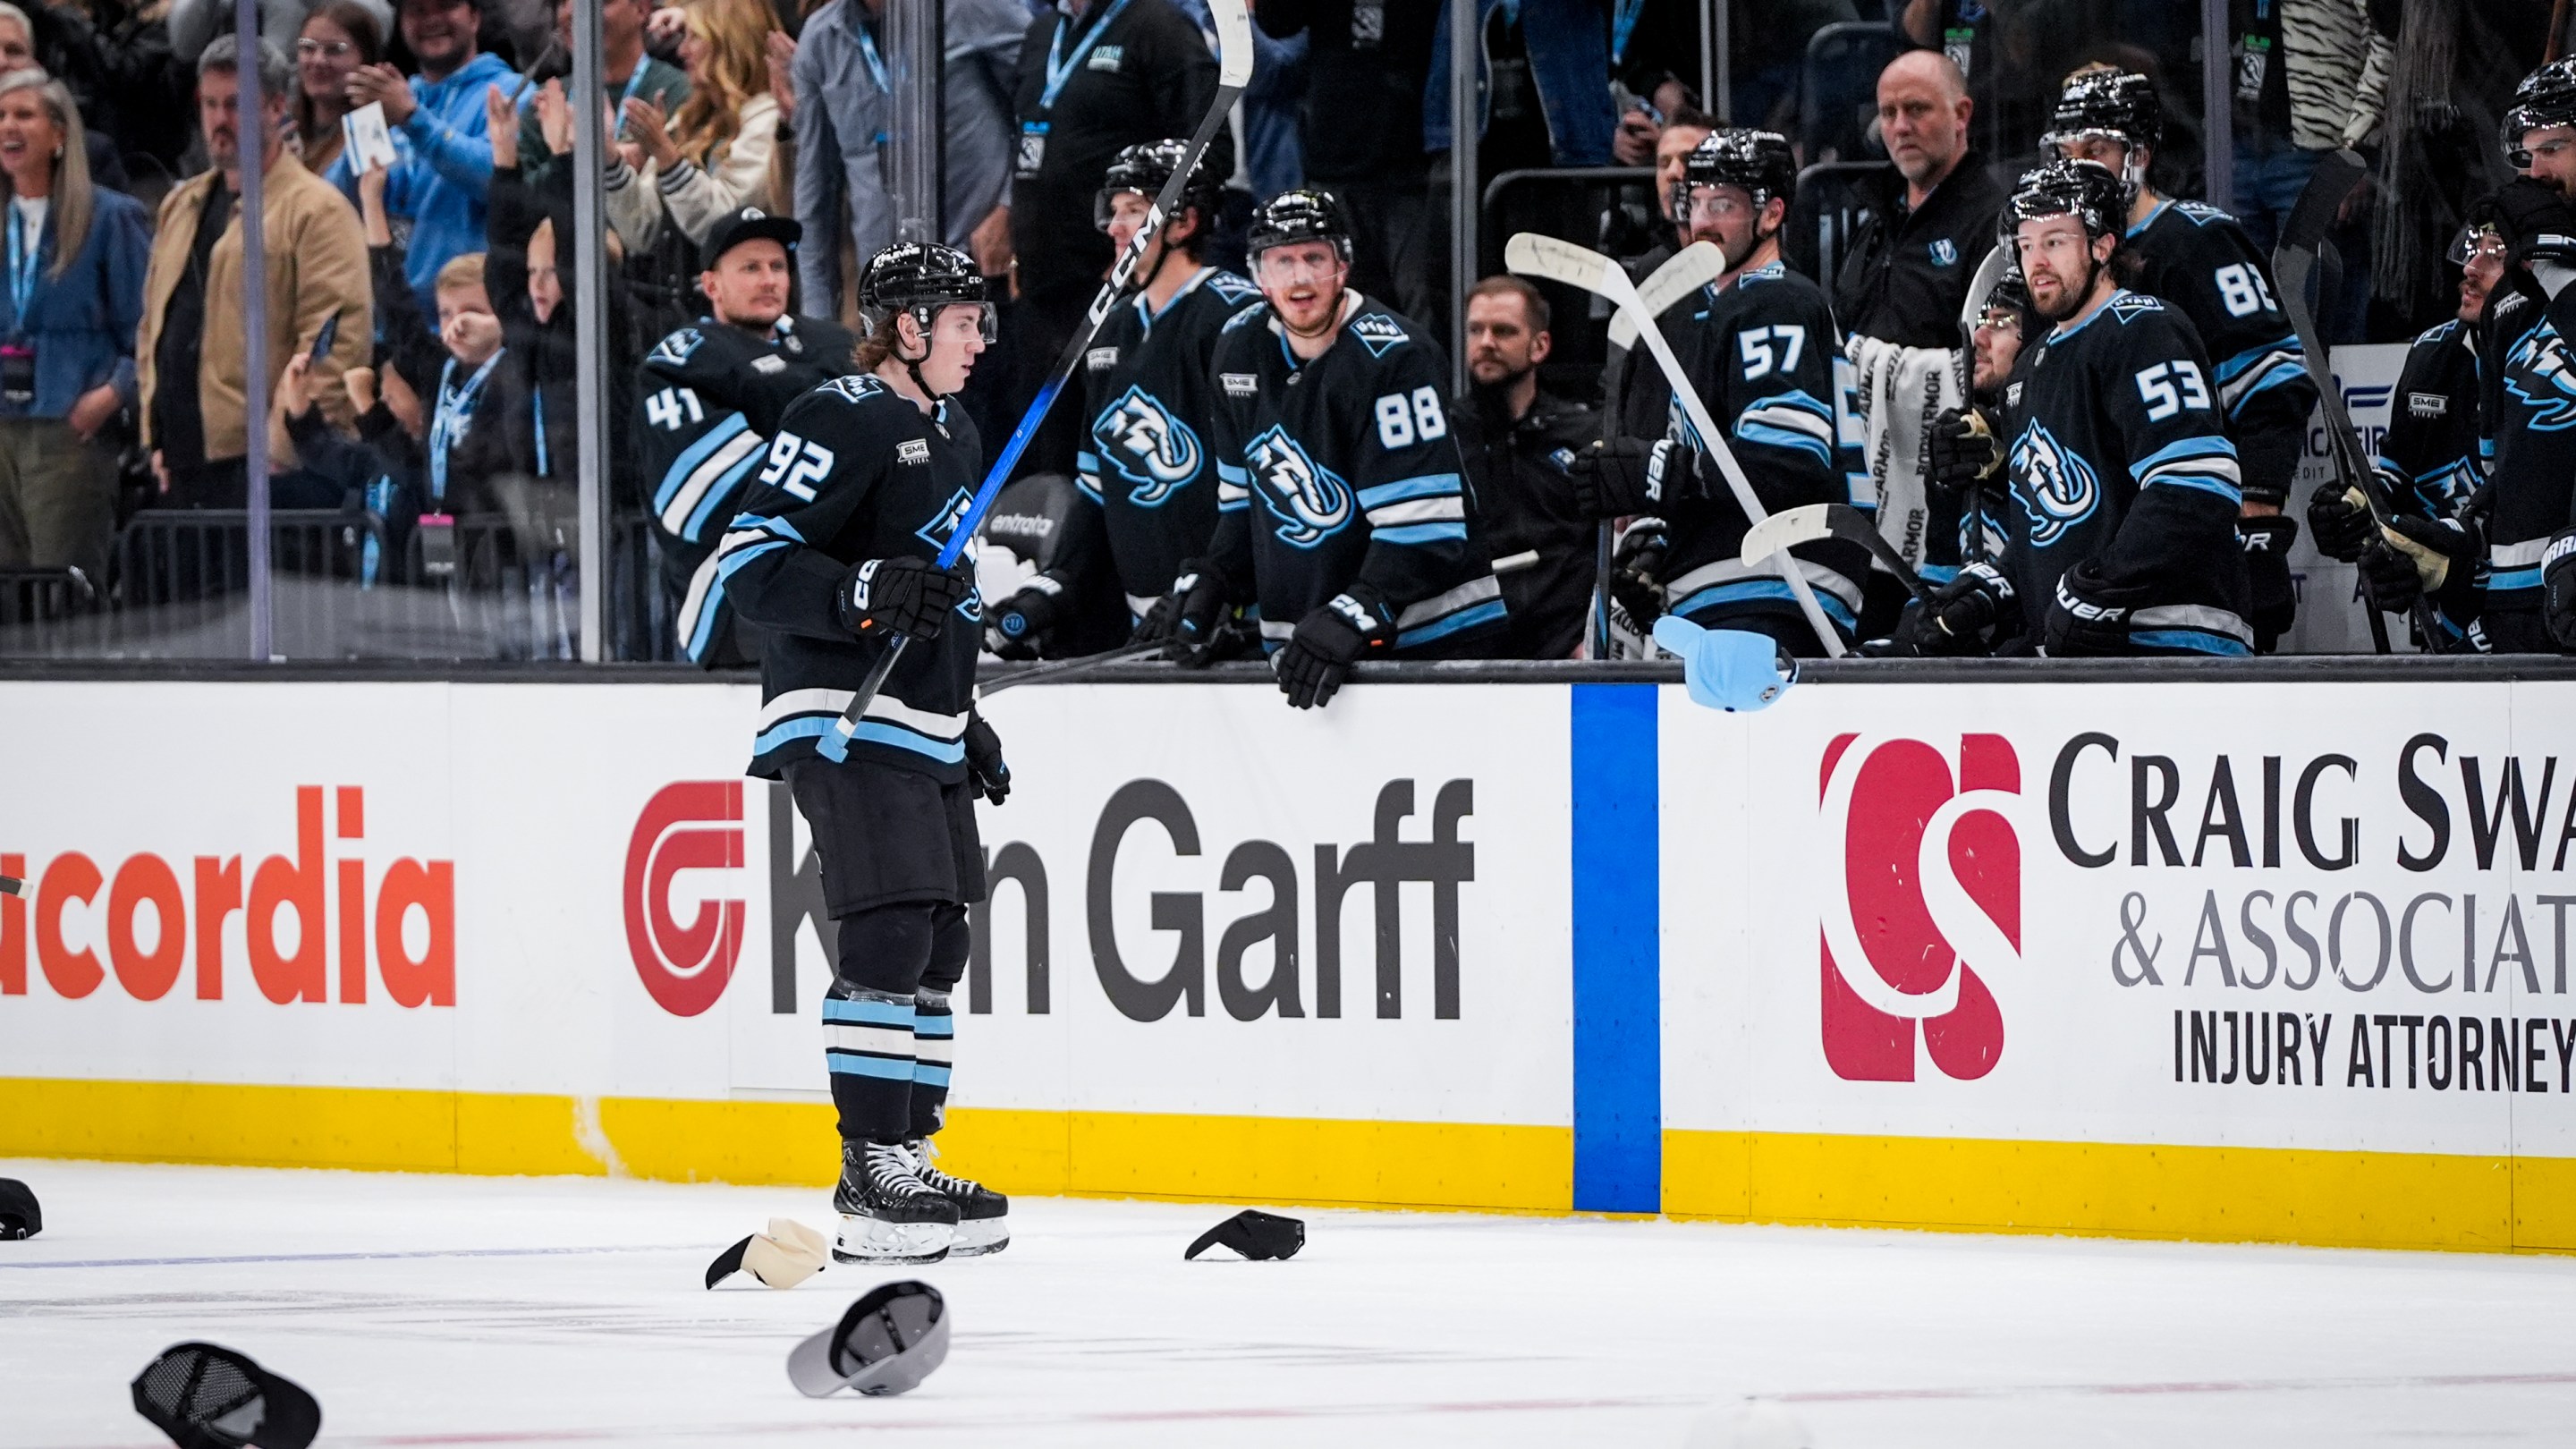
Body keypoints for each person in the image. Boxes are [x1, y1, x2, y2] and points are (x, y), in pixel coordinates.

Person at [712, 242, 1011, 1266]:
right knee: (885, 933)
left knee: (937, 942)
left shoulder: (955, 427)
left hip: (919, 720)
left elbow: (944, 591)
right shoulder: (841, 412)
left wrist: (962, 715)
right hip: (842, 711)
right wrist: (855, 592)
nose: (981, 339)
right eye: (965, 322)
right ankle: (869, 1169)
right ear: (912, 328)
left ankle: (910, 1159)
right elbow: (749, 563)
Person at [1165, 188, 1509, 704]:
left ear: (1343, 265)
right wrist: (1216, 579)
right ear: (1258, 275)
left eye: (1314, 258)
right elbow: (1243, 507)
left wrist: (1359, 607)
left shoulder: (1394, 356)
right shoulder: (1237, 348)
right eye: (1282, 262)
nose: (1300, 278)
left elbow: (1426, 530)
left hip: (1431, 644)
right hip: (1310, 650)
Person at [1906, 160, 2251, 658]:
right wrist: (1989, 590)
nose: (2035, 262)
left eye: (2055, 241)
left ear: (2103, 244)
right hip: (2082, 657)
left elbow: (2195, 486)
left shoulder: (2143, 330)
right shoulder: (2031, 368)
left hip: (2172, 640)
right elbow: (2053, 526)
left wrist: (2102, 589)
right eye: (2025, 245)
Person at [2046, 68, 2314, 654]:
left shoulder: (2197, 240)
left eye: (2096, 150)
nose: (2076, 169)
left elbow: (2271, 382)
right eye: (2064, 153)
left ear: (2138, 154)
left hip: (2183, 547)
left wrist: (2259, 520)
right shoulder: (2056, 255)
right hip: (2097, 542)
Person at [1569, 131, 1863, 656]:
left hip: (1775, 580)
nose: (1702, 221)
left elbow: (1786, 459)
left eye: (1723, 205)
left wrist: (1653, 471)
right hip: (1736, 583)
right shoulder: (1726, 308)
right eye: (1695, 202)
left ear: (1771, 215)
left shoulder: (1771, 298)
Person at [983, 140, 1255, 657]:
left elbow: (1259, 490)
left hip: (1235, 623)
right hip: (1145, 624)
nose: (1114, 227)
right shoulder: (1111, 330)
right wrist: (1054, 586)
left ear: (1184, 223)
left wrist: (1214, 586)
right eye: (1114, 212)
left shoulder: (1236, 323)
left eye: (1134, 211)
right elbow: (1096, 491)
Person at [139, 36, 371, 508]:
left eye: (235, 104)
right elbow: (152, 329)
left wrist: (288, 444)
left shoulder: (317, 210)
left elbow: (334, 341)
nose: (220, 120)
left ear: (276, 107)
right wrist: (154, 431)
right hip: (183, 465)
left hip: (271, 471)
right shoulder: (180, 206)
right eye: (210, 104)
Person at [1006, 0, 1231, 480]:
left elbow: (1210, 151)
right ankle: (1052, 555)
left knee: (1115, 450)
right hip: (1040, 285)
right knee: (1045, 457)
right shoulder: (1041, 33)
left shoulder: (1160, 27)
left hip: (1115, 286)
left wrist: (1145, 252)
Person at [1834, 50, 2005, 639]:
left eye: (1916, 109)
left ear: (1962, 113)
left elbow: (1999, 363)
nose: (1900, 126)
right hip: (1865, 495)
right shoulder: (1870, 214)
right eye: (1888, 112)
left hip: (1954, 496)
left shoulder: (1997, 221)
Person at [640, 206, 856, 666]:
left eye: (778, 266)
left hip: (843, 574)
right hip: (733, 595)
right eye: (751, 268)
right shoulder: (679, 362)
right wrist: (853, 490)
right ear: (711, 284)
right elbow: (701, 497)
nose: (770, 280)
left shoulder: (834, 344)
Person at [2308, 222, 2496, 650]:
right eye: (2473, 250)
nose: (2470, 267)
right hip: (2447, 627)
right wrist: (2359, 506)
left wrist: (2457, 563)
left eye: (2494, 255)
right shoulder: (2433, 352)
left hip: (2531, 619)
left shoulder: (2554, 359)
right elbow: (2399, 476)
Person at [0, 71, 147, 580]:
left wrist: (108, 397)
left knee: (62, 597)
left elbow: (146, 331)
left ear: (60, 134)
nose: (8, 127)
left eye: (24, 114)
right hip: (2, 429)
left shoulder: (110, 218)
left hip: (69, 432)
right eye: (0, 116)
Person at [790, 0, 1021, 318]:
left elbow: (1043, 104)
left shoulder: (969, 6)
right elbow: (814, 193)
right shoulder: (820, 39)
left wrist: (1012, 210)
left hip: (980, 268)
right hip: (887, 293)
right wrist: (818, 322)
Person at [2472, 61, 2576, 656]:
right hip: (2517, 610)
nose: (2536, 173)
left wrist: (2557, 266)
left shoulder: (2549, 275)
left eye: (2555, 149)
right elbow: (2498, 466)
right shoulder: (2511, 301)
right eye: (2528, 154)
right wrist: (2452, 546)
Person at [1252, 0, 1437, 323]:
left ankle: (1427, 374)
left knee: (1421, 300)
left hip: (1410, 160)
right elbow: (1277, 20)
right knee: (1340, 300)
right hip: (1333, 154)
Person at [341, 0, 517, 318]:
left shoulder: (512, 92)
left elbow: (498, 181)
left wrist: (413, 119)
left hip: (471, 324)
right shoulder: (395, 97)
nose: (431, 19)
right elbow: (341, 201)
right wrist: (365, 120)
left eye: (445, 6)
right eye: (417, 10)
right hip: (393, 323)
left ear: (475, 17)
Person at [1453, 275, 1597, 660]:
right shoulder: (1442, 437)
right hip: (1465, 657)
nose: (1486, 343)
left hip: (1569, 656)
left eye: (1503, 331)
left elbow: (1609, 549)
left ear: (1540, 345)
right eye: (1475, 330)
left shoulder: (1584, 435)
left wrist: (1589, 644)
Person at [606, 0, 780, 256]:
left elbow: (723, 228)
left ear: (729, 43)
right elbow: (641, 232)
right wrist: (610, 159)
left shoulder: (769, 120)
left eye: (694, 37)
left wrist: (667, 157)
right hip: (677, 290)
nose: (682, 50)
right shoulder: (689, 118)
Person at [516, 0, 687, 189]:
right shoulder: (546, 102)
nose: (573, 11)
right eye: (563, 2)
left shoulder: (676, 92)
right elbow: (522, 202)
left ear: (641, 9)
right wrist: (577, 159)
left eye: (599, 2)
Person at [291, 1, 383, 177]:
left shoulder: (371, 134)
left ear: (365, 60)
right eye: (308, 48)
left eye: (334, 50)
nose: (318, 60)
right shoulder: (283, 128)